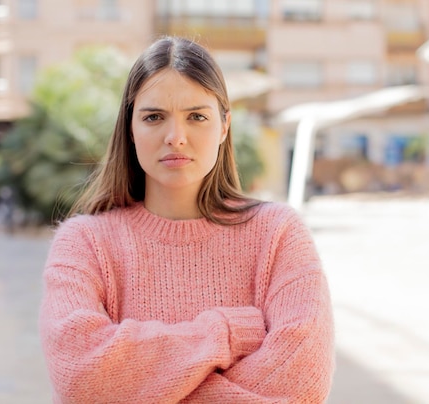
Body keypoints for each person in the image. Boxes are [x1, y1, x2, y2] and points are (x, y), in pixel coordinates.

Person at [38, 36, 335, 403]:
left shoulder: (278, 234)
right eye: (153, 117)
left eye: (196, 116)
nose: (175, 137)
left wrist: (139, 386)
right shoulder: (84, 243)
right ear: (130, 129)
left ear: (224, 126)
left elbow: (302, 384)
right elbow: (79, 376)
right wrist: (224, 334)